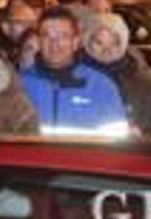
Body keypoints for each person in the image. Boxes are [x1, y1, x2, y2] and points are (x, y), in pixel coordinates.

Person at [20, 8, 129, 137]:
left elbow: (116, 142)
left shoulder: (101, 86)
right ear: (38, 41)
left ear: (76, 42)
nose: (54, 44)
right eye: (47, 36)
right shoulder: (20, 85)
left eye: (63, 36)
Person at [82, 13, 151, 136]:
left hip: (132, 147)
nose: (106, 50)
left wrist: (144, 134)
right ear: (88, 42)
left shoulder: (146, 83)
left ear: (123, 43)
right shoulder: (71, 78)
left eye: (114, 43)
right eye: (99, 43)